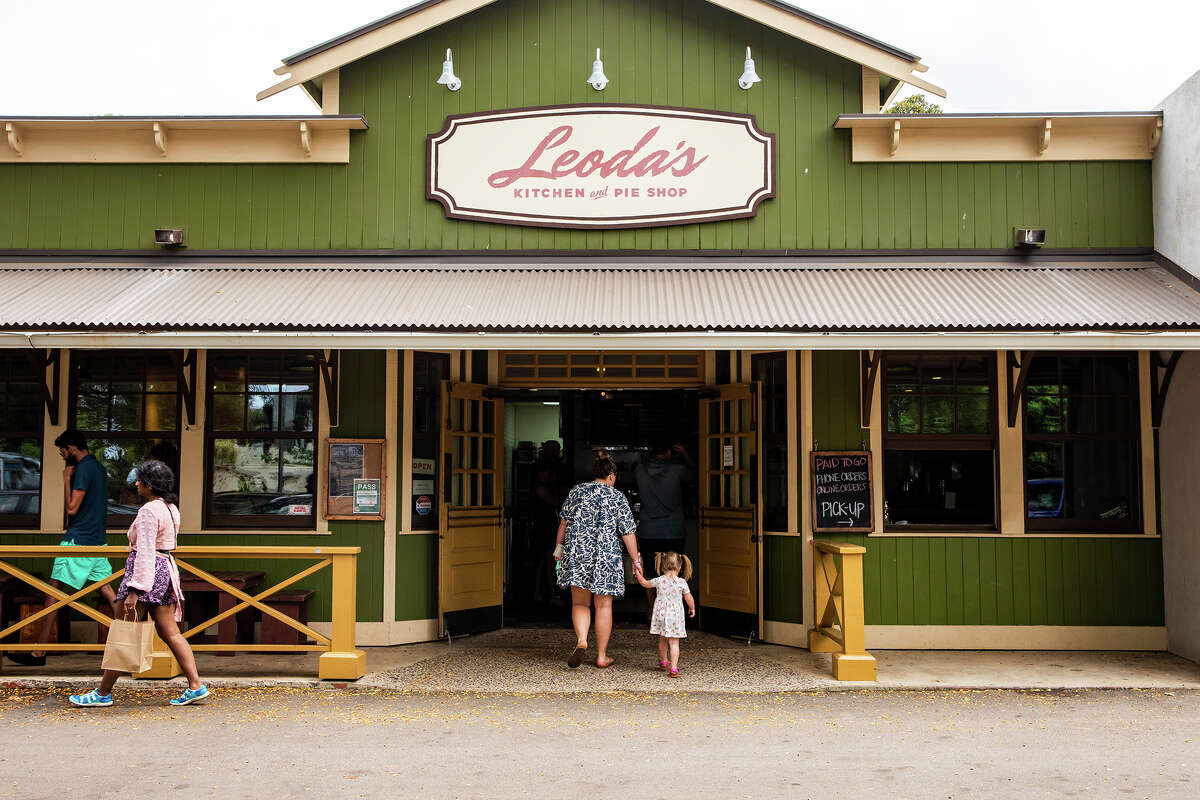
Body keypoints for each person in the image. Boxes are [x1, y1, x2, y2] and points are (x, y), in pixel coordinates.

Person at [69, 460, 209, 708]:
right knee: (171, 633)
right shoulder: (170, 508)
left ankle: (102, 693)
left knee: (124, 633)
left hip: (145, 573)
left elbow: (144, 551)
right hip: (165, 571)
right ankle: (195, 685)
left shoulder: (147, 511)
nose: (136, 484)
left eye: (140, 480)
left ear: (149, 485)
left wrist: (135, 590)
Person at [8, 429, 118, 667]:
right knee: (109, 592)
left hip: (78, 539)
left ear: (71, 448)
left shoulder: (82, 470)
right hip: (98, 539)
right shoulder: (98, 468)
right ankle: (134, 644)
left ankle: (39, 651)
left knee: (54, 591)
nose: (62, 456)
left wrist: (66, 479)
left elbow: (71, 509)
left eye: (62, 451)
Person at [554, 452, 642, 669]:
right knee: (603, 606)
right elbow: (628, 532)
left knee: (580, 603)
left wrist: (558, 549)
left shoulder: (577, 491)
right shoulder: (617, 497)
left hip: (578, 554)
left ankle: (582, 641)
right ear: (611, 476)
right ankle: (602, 656)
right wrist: (636, 560)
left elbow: (563, 524)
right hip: (606, 557)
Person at [633, 441, 695, 606]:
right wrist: (685, 455)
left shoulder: (640, 471)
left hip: (648, 531)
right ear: (669, 453)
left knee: (651, 573)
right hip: (673, 531)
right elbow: (697, 476)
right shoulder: (678, 470)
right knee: (674, 571)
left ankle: (653, 610)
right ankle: (673, 608)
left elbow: (642, 463)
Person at [633, 551, 695, 678]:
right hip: (675, 617)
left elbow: (644, 583)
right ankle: (673, 668)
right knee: (674, 642)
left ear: (662, 566)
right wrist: (692, 608)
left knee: (662, 639)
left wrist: (638, 573)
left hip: (661, 615)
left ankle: (663, 661)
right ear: (679, 567)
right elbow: (689, 598)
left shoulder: (659, 580)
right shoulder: (682, 582)